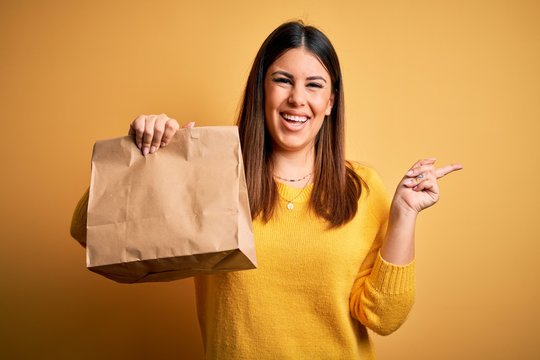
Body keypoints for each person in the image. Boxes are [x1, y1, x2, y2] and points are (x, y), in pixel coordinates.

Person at [71, 21, 462, 359]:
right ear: (261, 89)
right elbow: (88, 233)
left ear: (330, 102)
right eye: (282, 80)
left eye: (314, 85)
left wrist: (404, 215)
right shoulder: (212, 174)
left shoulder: (362, 188)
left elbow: (383, 318)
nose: (297, 98)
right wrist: (147, 160)